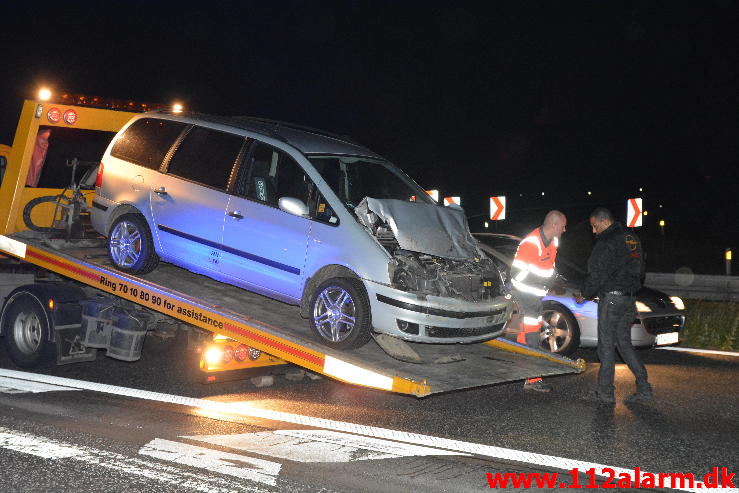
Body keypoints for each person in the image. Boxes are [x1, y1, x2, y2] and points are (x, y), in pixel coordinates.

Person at [576, 207, 652, 405]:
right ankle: (644, 388)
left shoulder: (606, 242)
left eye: (594, 226)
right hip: (629, 298)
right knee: (624, 343)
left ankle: (605, 393)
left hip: (611, 299)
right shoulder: (632, 238)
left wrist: (584, 294)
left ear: (604, 221)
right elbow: (641, 269)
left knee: (606, 346)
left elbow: (597, 273)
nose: (593, 231)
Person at [510, 210, 567, 392]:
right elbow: (517, 274)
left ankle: (520, 372)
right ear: (554, 225)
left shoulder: (554, 241)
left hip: (536, 295)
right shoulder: (531, 243)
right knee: (532, 335)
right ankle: (533, 378)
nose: (564, 229)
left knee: (524, 336)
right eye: (563, 226)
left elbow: (548, 266)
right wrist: (543, 281)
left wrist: (553, 278)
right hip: (526, 294)